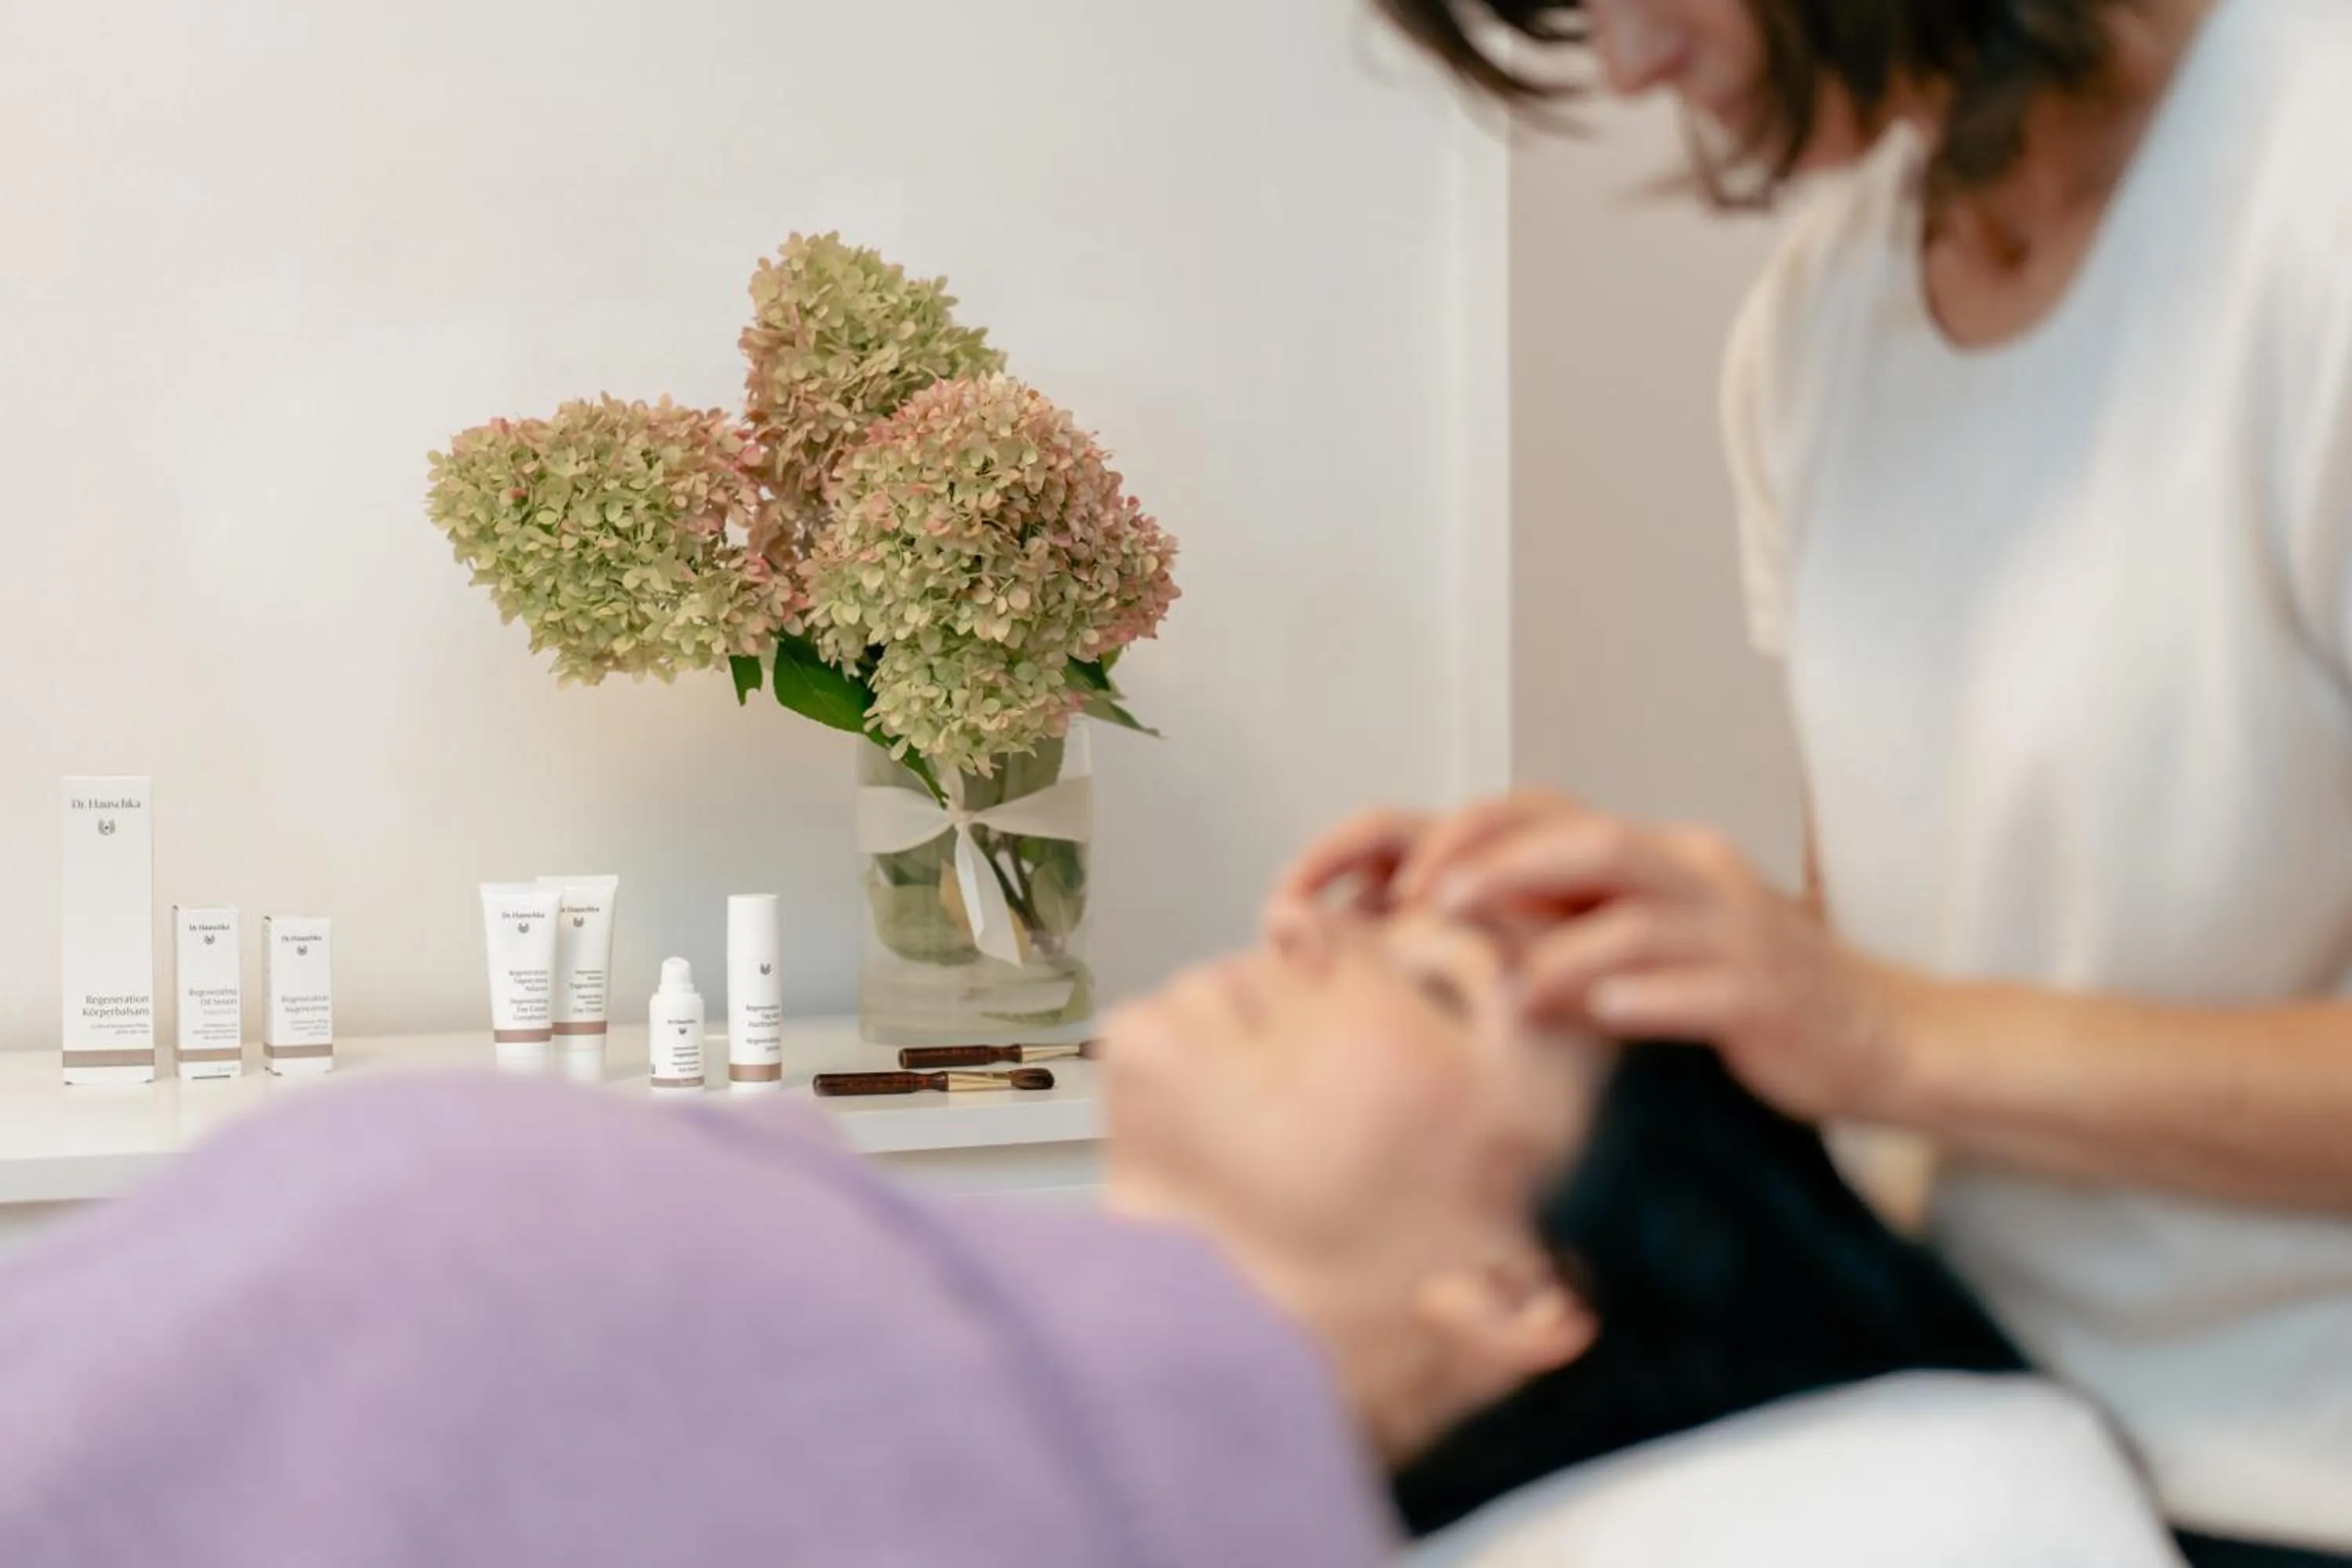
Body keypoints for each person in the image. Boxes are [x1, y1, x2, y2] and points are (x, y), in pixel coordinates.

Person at [1305, 0, 2352, 1560]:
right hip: (2005, 1446)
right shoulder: (1821, 322)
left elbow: (1895, 1022)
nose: (1629, 66)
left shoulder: (2308, 191)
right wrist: (1618, 937)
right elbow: (1902, 948)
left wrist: (1869, 1029)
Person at [0, 914, 1601, 1567]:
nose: (1316, 922)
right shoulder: (917, 1307)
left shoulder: (1029, 1476)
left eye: (1443, 985)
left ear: (1516, 1285)